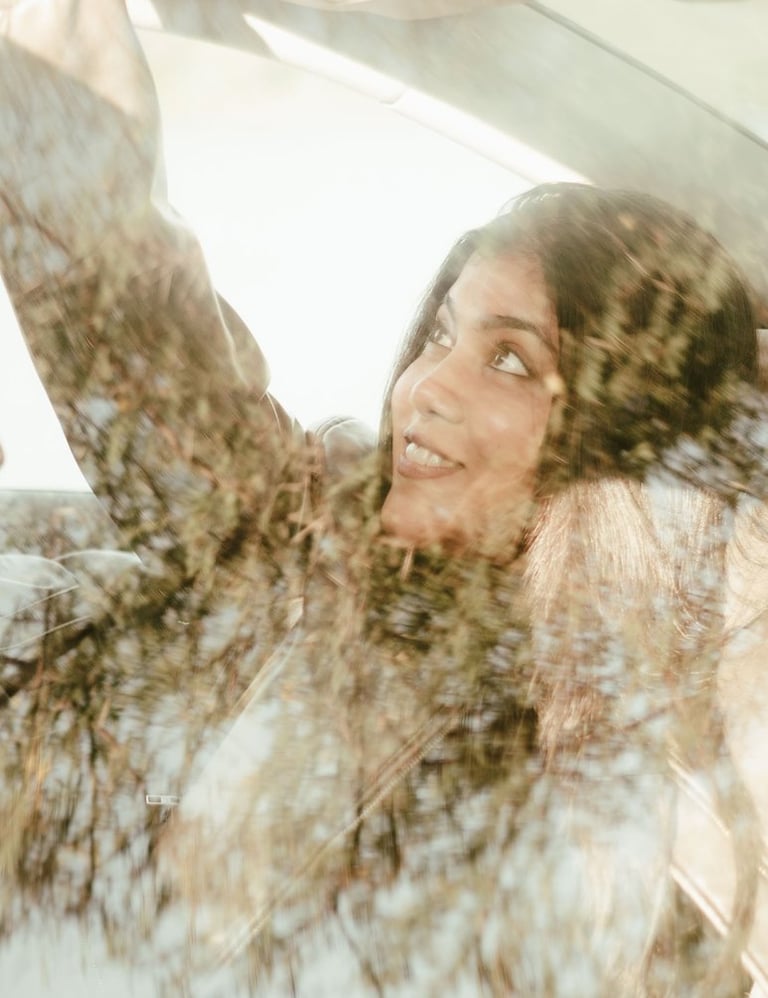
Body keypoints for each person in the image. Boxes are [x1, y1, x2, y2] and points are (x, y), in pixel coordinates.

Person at [0, 2, 763, 995]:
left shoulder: (639, 827)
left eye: (508, 358)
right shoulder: (317, 528)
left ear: (622, 436)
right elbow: (137, 328)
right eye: (441, 334)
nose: (428, 384)